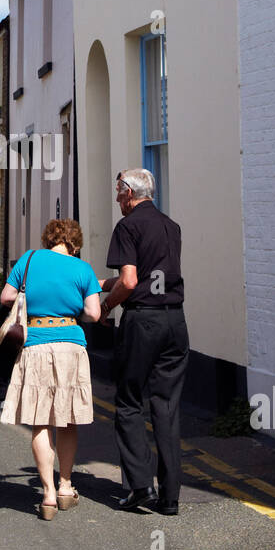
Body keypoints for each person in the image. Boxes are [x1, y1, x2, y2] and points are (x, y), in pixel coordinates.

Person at [99, 168, 189, 514]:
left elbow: (131, 280)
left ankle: (140, 487)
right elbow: (152, 276)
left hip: (143, 323)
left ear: (128, 192)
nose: (117, 199)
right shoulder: (171, 226)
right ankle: (170, 498)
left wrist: (107, 305)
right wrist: (104, 284)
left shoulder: (128, 226)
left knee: (130, 402)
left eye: (118, 193)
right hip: (175, 321)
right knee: (166, 407)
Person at [0, 219, 102, 519]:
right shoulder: (82, 269)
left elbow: (6, 297)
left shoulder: (29, 260)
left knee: (40, 420)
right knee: (67, 419)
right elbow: (94, 314)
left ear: (48, 240)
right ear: (75, 243)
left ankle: (46, 495)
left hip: (35, 346)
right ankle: (66, 487)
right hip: (71, 345)